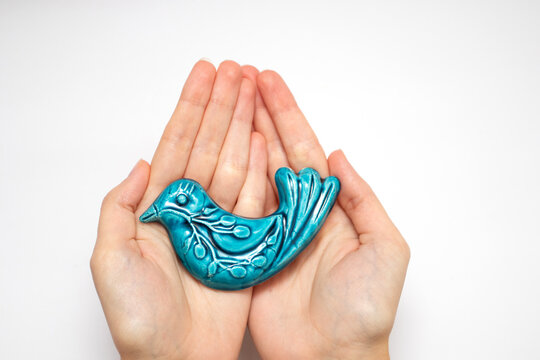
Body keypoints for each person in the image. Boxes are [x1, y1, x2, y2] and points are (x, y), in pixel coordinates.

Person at [90, 59, 410, 359]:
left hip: (283, 228)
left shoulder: (213, 232)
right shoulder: (191, 236)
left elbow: (253, 242)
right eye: (166, 207)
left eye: (174, 205)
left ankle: (303, 203)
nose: (165, 212)